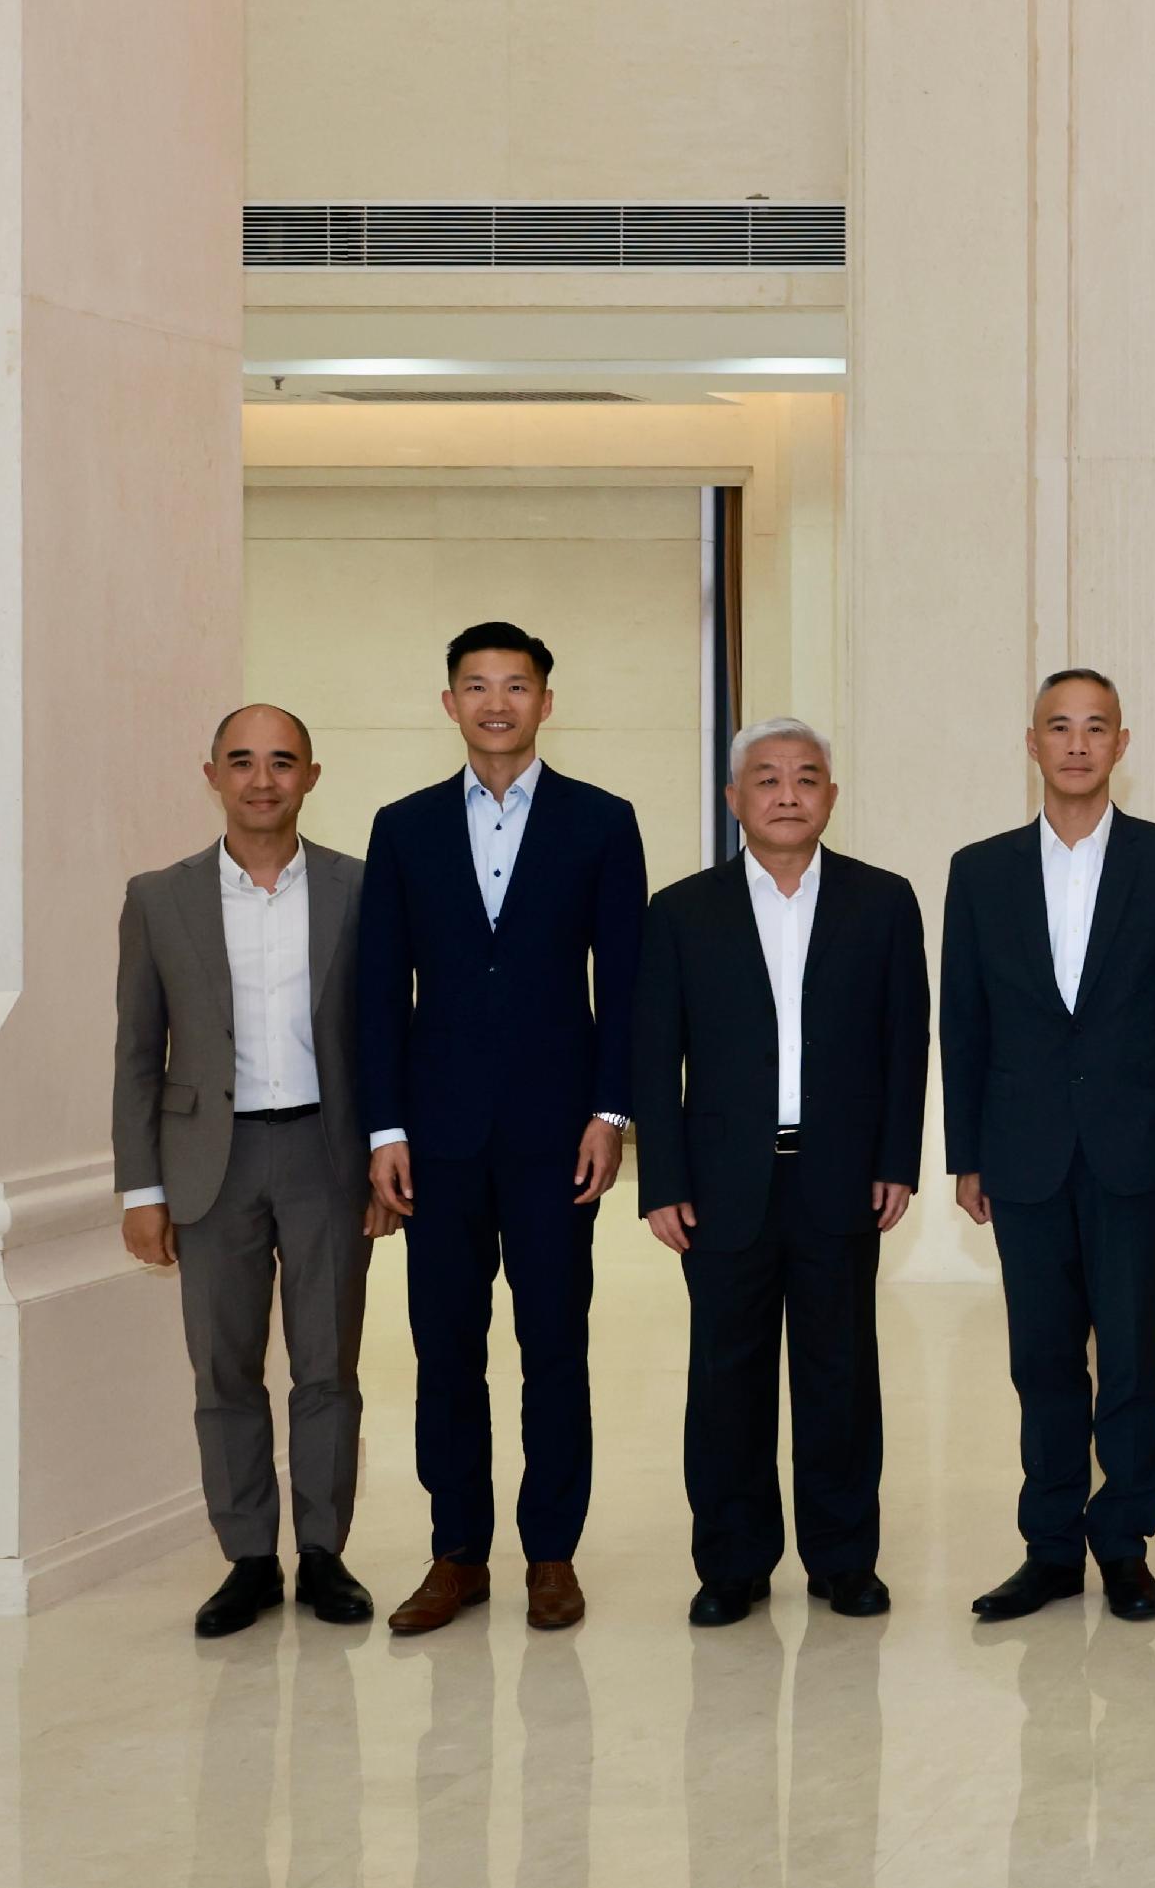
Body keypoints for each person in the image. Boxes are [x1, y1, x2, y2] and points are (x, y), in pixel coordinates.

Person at [360, 621, 648, 1636]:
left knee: (554, 1345)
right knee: (445, 1349)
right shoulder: (402, 828)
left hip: (554, 1134)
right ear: (449, 704)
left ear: (543, 702)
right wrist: (383, 1127)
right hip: (434, 1137)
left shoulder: (601, 823)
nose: (495, 703)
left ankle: (552, 1554)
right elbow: (377, 991)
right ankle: (456, 1553)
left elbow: (628, 985)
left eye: (515, 685)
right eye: (476, 686)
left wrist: (610, 1113)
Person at [631, 719, 928, 1626]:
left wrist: (896, 1161)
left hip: (838, 1175)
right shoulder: (683, 910)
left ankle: (845, 1559)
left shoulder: (882, 901)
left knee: (841, 1377)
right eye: (767, 778)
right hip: (722, 1185)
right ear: (735, 800)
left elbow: (904, 1040)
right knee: (727, 1380)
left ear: (831, 796)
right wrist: (664, 1178)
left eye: (807, 777)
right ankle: (732, 1561)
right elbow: (655, 1054)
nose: (788, 793)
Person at [940, 669, 1155, 1623]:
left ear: (1121, 744)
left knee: (1134, 1355)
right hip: (1021, 1153)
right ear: (1032, 742)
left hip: (1138, 1150)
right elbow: (963, 1021)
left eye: (1095, 727)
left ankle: (1125, 1543)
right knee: (1042, 1358)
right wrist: (965, 1151)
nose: (1076, 743)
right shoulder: (979, 870)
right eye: (1059, 726)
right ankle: (1050, 1545)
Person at [114, 704, 382, 1638]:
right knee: (223, 1369)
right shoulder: (159, 896)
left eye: (281, 761)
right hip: (207, 1167)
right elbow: (137, 1052)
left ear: (312, 774)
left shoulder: (360, 887)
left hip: (325, 1155)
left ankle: (322, 1552)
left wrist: (387, 1152)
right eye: (242, 762)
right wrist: (141, 1188)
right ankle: (248, 1559)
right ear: (212, 774)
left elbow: (392, 1033)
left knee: (327, 1366)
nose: (261, 779)